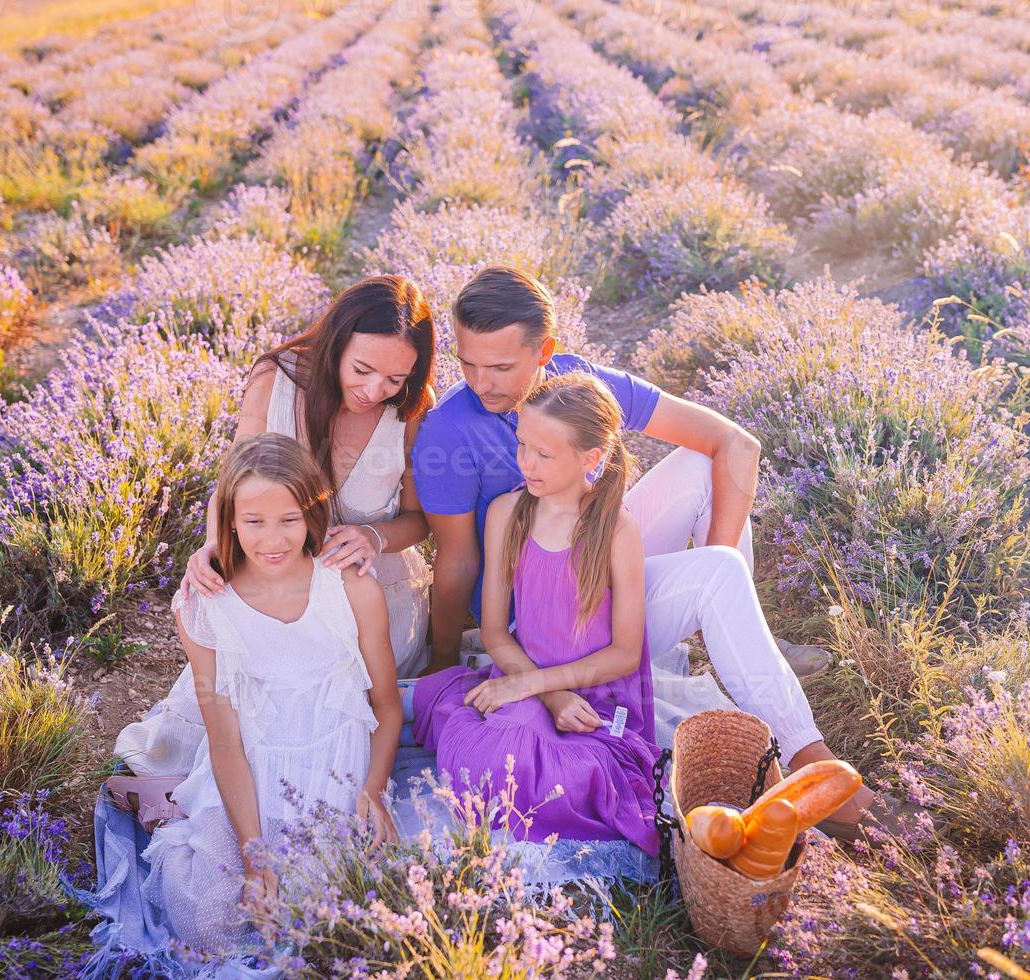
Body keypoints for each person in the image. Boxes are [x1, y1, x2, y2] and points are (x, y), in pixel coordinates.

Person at [411, 266, 906, 837]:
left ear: (545, 351)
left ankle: (749, 659)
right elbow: (457, 563)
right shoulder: (448, 430)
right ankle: (772, 697)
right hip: (539, 610)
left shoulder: (577, 386)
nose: (481, 382)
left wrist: (718, 580)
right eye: (467, 362)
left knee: (702, 468)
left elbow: (736, 445)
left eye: (500, 366)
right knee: (714, 576)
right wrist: (442, 660)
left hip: (599, 562)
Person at [117, 276, 435, 780]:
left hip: (373, 592)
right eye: (362, 369)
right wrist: (214, 546)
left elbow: (419, 521)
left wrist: (374, 536)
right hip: (275, 577)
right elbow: (234, 483)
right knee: (241, 706)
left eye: (395, 379)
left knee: (339, 723)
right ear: (336, 342)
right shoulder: (278, 379)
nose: (375, 391)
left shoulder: (412, 408)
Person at [135, 433, 401, 955]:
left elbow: (387, 707)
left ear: (312, 515)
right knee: (205, 917)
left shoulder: (349, 588)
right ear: (228, 520)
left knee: (323, 914)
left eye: (289, 520)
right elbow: (226, 739)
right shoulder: (203, 606)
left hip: (331, 762)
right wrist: (254, 856)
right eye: (254, 522)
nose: (273, 539)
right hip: (251, 763)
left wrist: (373, 790)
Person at [412, 374, 659, 854]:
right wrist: (542, 692)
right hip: (527, 678)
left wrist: (544, 689)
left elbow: (625, 654)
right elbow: (493, 631)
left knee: (573, 775)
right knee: (501, 751)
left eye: (542, 454)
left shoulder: (615, 531)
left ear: (590, 458)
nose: (525, 463)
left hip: (596, 694)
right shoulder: (508, 513)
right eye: (522, 445)